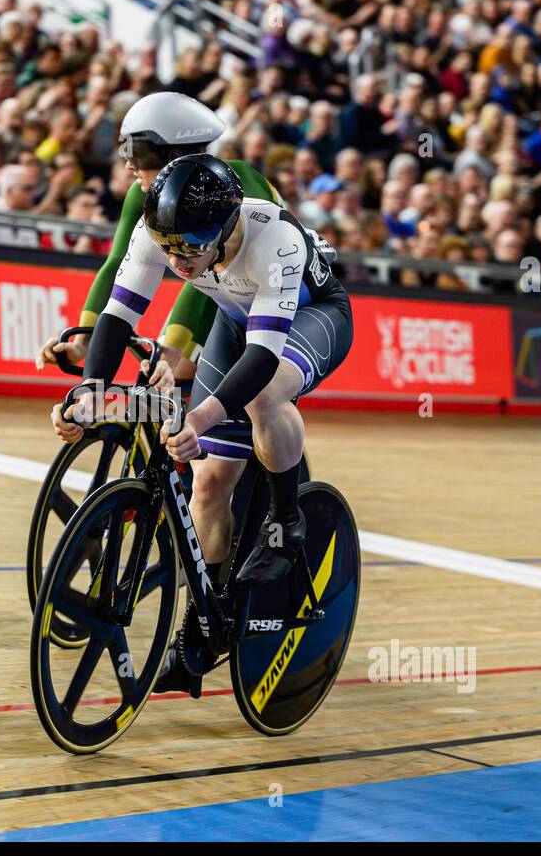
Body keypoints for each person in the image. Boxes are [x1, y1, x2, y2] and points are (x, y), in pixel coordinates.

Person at [51, 155, 353, 695]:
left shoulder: (274, 238)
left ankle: (287, 522)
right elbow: (120, 316)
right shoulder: (160, 231)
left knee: (263, 396)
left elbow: (263, 357)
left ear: (227, 225)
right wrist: (88, 392)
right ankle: (206, 622)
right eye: (169, 249)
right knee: (209, 482)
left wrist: (200, 415)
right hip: (236, 321)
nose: (179, 262)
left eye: (191, 248)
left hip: (313, 315)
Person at [34, 91, 281, 383]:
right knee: (160, 384)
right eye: (125, 151)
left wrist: (172, 350)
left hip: (270, 297)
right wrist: (82, 343)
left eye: (138, 154)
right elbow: (116, 265)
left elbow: (214, 274)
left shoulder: (238, 182)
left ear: (176, 156)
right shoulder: (141, 195)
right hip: (221, 291)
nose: (128, 165)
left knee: (182, 376)